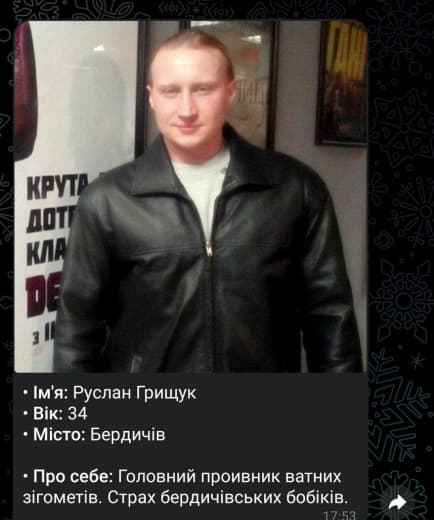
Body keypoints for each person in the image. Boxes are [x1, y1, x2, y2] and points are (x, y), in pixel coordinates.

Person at [53, 29, 362, 373]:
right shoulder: (107, 201)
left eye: (203, 89)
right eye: (171, 91)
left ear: (230, 92)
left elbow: (330, 317)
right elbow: (76, 334)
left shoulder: (295, 189)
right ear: (152, 98)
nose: (186, 109)